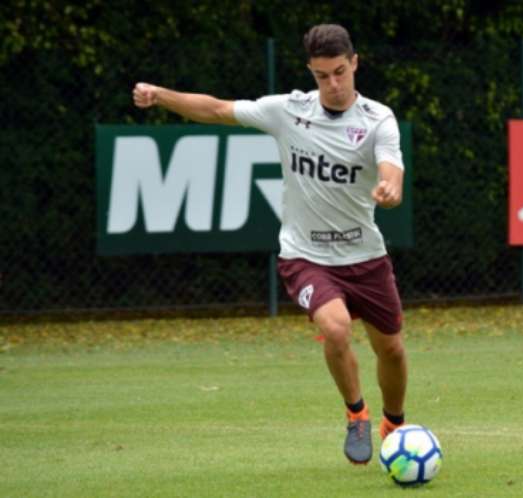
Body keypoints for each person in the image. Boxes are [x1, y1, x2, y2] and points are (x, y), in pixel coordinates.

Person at [133, 24, 407, 465]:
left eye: (340, 72)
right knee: (335, 327)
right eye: (322, 76)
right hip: (306, 256)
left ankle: (394, 423)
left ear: (355, 63)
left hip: (366, 255)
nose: (333, 85)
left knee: (391, 348)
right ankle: (356, 413)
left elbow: (390, 166)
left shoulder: (379, 119)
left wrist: (391, 188)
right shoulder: (287, 110)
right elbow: (218, 109)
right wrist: (160, 95)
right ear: (310, 72)